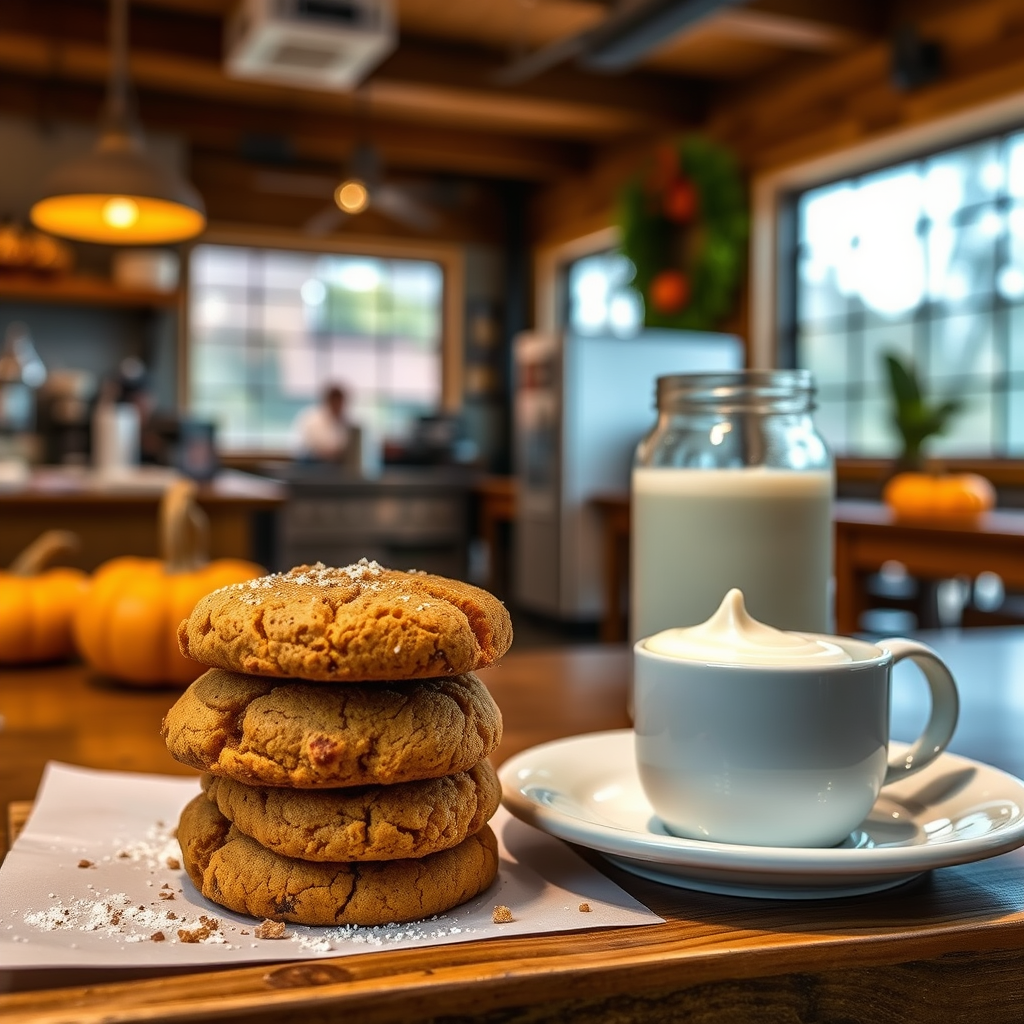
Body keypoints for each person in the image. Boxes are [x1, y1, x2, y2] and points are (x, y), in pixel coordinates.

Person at [292, 384, 351, 462]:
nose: (340, 406)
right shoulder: (313, 419)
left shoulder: (344, 421)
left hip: (331, 464)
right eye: (337, 402)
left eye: (341, 403)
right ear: (329, 401)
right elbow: (322, 449)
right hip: (310, 463)